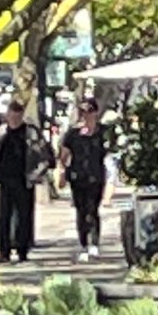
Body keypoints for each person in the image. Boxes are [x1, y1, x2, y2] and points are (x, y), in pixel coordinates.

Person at [0, 109, 37, 263]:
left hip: (24, 180)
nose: (14, 118)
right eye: (11, 114)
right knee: (5, 217)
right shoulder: (3, 134)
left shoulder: (29, 133)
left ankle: (22, 250)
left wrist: (35, 174)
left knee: (24, 217)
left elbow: (42, 153)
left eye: (17, 114)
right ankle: (4, 252)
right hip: (6, 181)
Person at [61, 99, 107, 254]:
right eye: (83, 112)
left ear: (95, 112)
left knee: (93, 209)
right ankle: (83, 242)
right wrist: (62, 173)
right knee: (81, 210)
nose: (86, 116)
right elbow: (64, 154)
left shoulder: (102, 132)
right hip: (77, 175)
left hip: (96, 175)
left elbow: (108, 151)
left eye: (88, 112)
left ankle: (94, 242)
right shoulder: (73, 133)